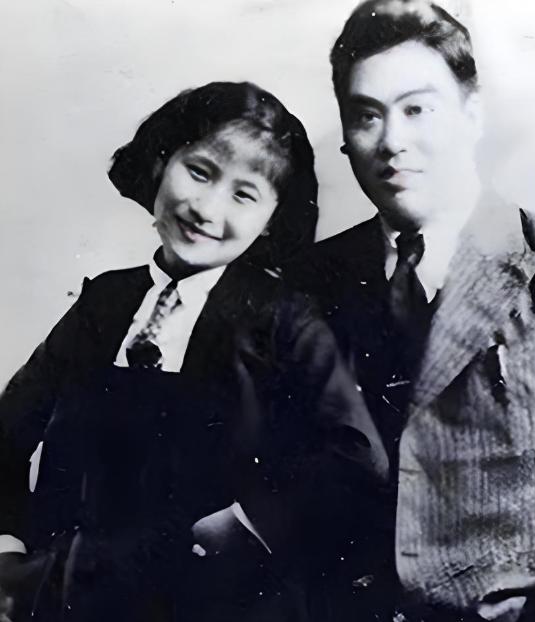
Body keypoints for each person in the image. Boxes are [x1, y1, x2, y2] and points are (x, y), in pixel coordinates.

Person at [0, 81, 388, 622]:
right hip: (72, 597)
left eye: (244, 195)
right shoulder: (104, 302)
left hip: (217, 600)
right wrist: (8, 549)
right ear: (161, 164)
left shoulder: (285, 320)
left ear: (272, 219)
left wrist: (246, 525)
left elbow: (356, 456)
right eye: (200, 172)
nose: (206, 208)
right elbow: (8, 429)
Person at [285, 1, 535, 621]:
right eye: (366, 116)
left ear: (472, 114)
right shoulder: (310, 280)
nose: (392, 141)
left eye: (417, 109)